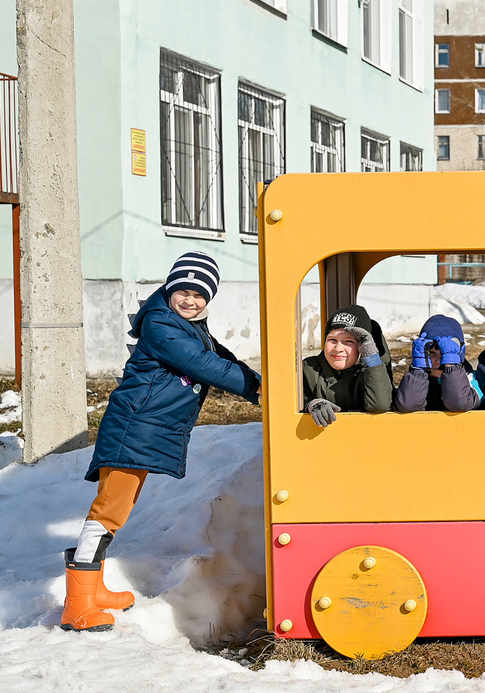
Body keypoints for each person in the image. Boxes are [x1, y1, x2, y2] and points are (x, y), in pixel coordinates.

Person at [65, 251, 262, 630]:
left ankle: (94, 589)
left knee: (117, 509)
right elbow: (203, 365)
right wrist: (256, 389)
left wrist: (257, 382)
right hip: (131, 430)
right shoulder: (161, 324)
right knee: (108, 512)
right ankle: (78, 603)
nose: (190, 300)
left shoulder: (188, 325)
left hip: (141, 431)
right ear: (170, 289)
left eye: (199, 294)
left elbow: (218, 355)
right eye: (183, 291)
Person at [300, 306, 391, 426]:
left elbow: (380, 405)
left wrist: (372, 360)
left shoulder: (371, 372)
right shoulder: (308, 369)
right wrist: (311, 405)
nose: (338, 348)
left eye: (349, 341)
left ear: (362, 346)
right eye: (332, 340)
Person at [394, 315, 484, 414]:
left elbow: (458, 404)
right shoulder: (415, 379)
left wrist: (451, 365)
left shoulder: (471, 380)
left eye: (444, 355)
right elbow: (408, 405)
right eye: (432, 353)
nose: (438, 361)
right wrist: (419, 370)